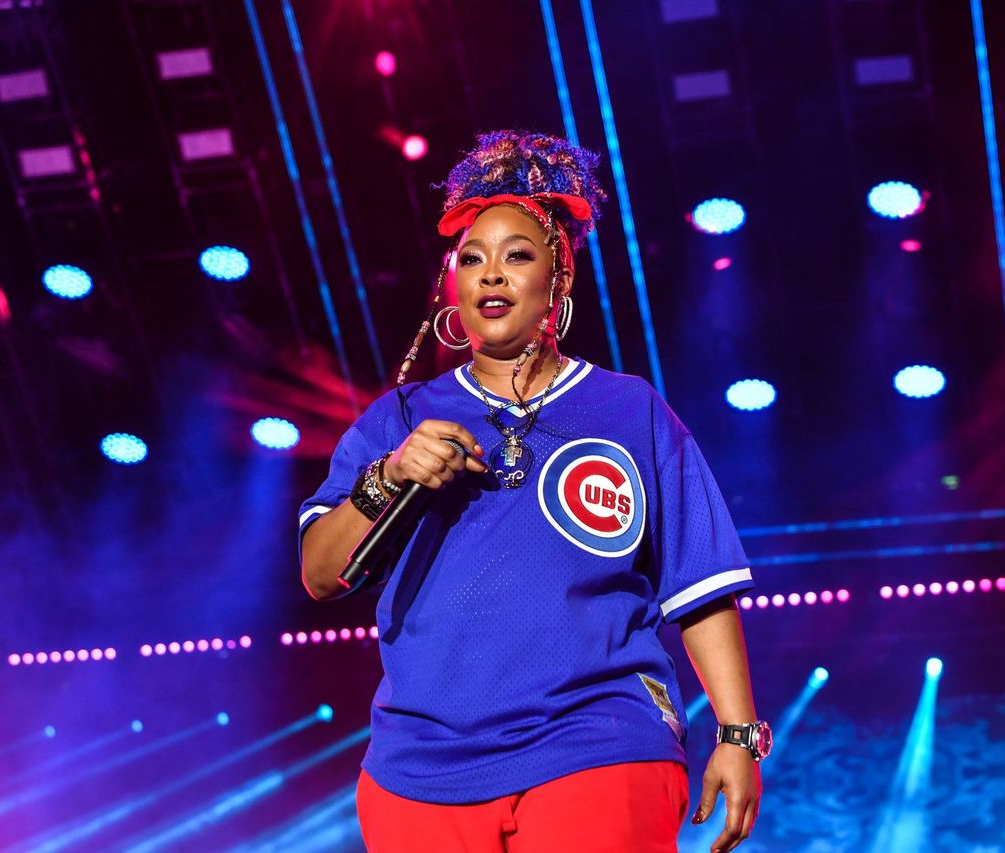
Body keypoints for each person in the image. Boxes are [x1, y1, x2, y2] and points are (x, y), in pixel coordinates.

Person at [298, 131, 768, 853]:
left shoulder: (629, 410)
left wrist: (737, 734)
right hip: (420, 769)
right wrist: (387, 478)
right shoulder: (396, 419)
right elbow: (320, 573)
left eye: (517, 255)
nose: (491, 275)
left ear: (561, 276)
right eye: (472, 258)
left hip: (598, 740)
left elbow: (700, 583)